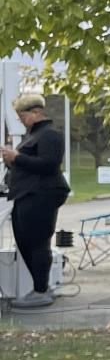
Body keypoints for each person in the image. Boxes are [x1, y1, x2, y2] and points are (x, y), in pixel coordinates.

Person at [3, 92, 70, 309]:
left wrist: (17, 158)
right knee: (24, 241)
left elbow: (49, 164)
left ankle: (41, 290)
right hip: (24, 194)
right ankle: (39, 286)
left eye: (23, 116)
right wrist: (12, 162)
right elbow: (28, 164)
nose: (22, 120)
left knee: (38, 241)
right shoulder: (31, 136)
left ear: (37, 112)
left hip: (42, 194)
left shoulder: (50, 135)